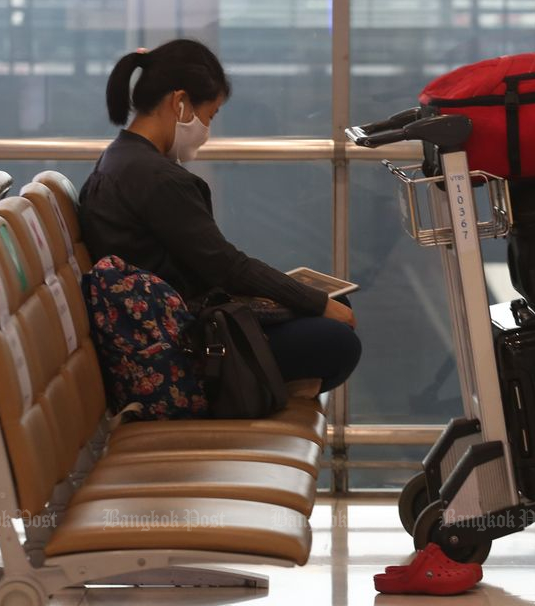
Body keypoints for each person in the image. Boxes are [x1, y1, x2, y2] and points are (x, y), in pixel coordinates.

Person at [79, 38, 361, 393]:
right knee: (339, 340)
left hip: (166, 324)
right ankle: (250, 392)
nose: (206, 131)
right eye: (209, 115)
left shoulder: (118, 159)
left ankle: (267, 386)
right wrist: (314, 300)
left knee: (334, 307)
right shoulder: (157, 178)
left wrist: (308, 300)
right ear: (180, 103)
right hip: (185, 347)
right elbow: (227, 267)